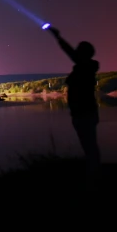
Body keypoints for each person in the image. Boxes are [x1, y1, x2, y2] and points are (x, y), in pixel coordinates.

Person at [47, 26, 101, 178]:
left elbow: (70, 53)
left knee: (89, 144)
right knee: (89, 144)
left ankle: (94, 174)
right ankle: (94, 170)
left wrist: (58, 38)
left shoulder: (87, 67)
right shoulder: (85, 67)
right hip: (82, 113)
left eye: (79, 50)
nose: (76, 51)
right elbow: (72, 54)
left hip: (85, 113)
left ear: (84, 53)